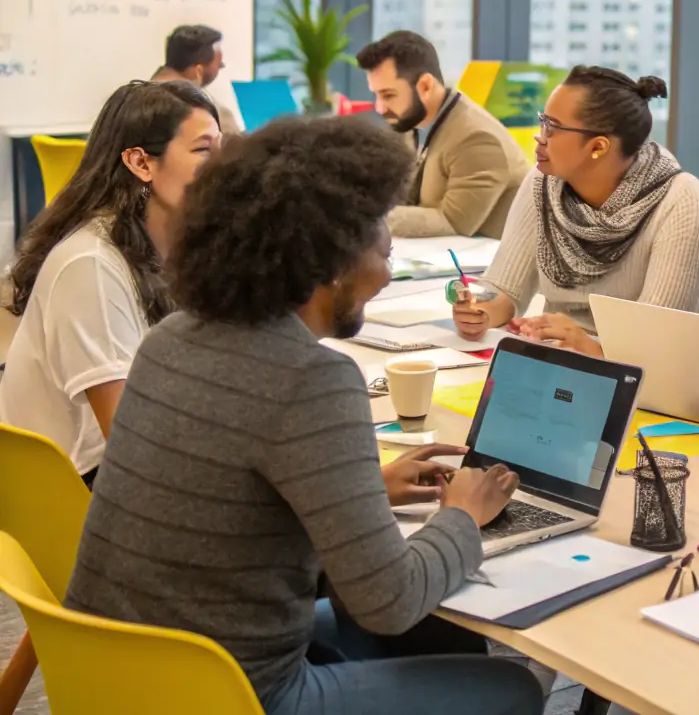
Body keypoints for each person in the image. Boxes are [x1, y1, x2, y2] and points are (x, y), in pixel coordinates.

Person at [64, 116, 542, 715]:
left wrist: (364, 489)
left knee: (437, 636)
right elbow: (389, 601)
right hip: (227, 695)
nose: (387, 269)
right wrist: (464, 516)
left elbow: (231, 495)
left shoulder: (172, 337)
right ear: (330, 262)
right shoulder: (313, 379)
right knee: (512, 688)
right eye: (382, 247)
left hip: (108, 671)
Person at [0, 80, 221, 483]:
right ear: (140, 163)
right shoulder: (91, 265)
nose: (224, 168)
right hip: (82, 489)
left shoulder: (165, 247)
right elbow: (133, 446)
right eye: (204, 150)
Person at [452, 66, 699, 356]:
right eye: (543, 121)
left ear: (598, 147)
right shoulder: (544, 181)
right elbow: (505, 290)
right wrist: (480, 312)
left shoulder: (681, 202)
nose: (539, 137)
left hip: (644, 374)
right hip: (556, 359)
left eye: (552, 128)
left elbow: (653, 345)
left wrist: (587, 346)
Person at [357, 30, 528, 238]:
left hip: (492, 253)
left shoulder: (477, 139)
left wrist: (366, 216)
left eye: (389, 95)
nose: (380, 108)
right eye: (376, 95)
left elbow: (453, 222)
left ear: (426, 86)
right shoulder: (411, 123)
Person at [152, 23, 244, 135]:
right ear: (198, 71)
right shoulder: (208, 112)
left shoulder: (137, 97)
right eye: (219, 65)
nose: (220, 69)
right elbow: (236, 143)